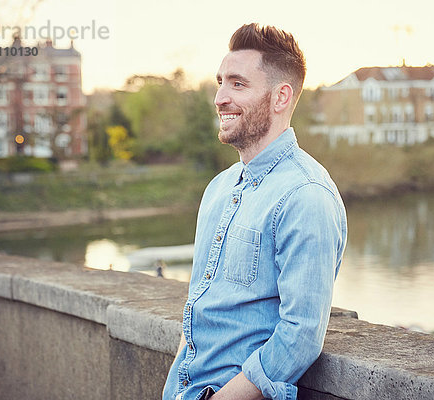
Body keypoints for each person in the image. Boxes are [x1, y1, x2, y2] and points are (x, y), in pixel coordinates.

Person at [162, 23, 347, 400]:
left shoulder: (306, 195)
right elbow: (196, 304)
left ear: (281, 97)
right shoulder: (218, 188)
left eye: (237, 84)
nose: (219, 98)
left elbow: (301, 335)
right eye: (220, 82)